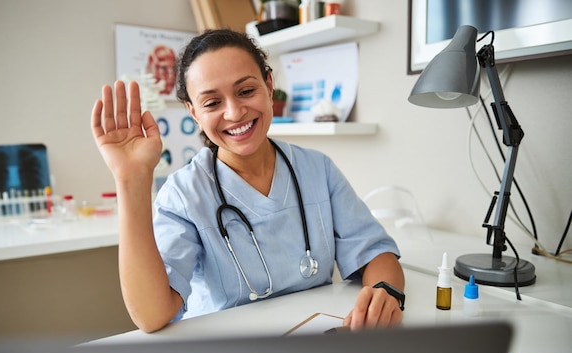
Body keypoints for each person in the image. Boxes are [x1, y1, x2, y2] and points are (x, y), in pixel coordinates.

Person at [91, 29, 405, 333]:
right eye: (212, 103)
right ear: (194, 112)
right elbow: (151, 315)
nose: (235, 112)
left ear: (269, 86)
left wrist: (384, 292)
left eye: (245, 91)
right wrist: (131, 178)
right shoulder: (185, 194)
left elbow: (375, 251)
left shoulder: (316, 169)